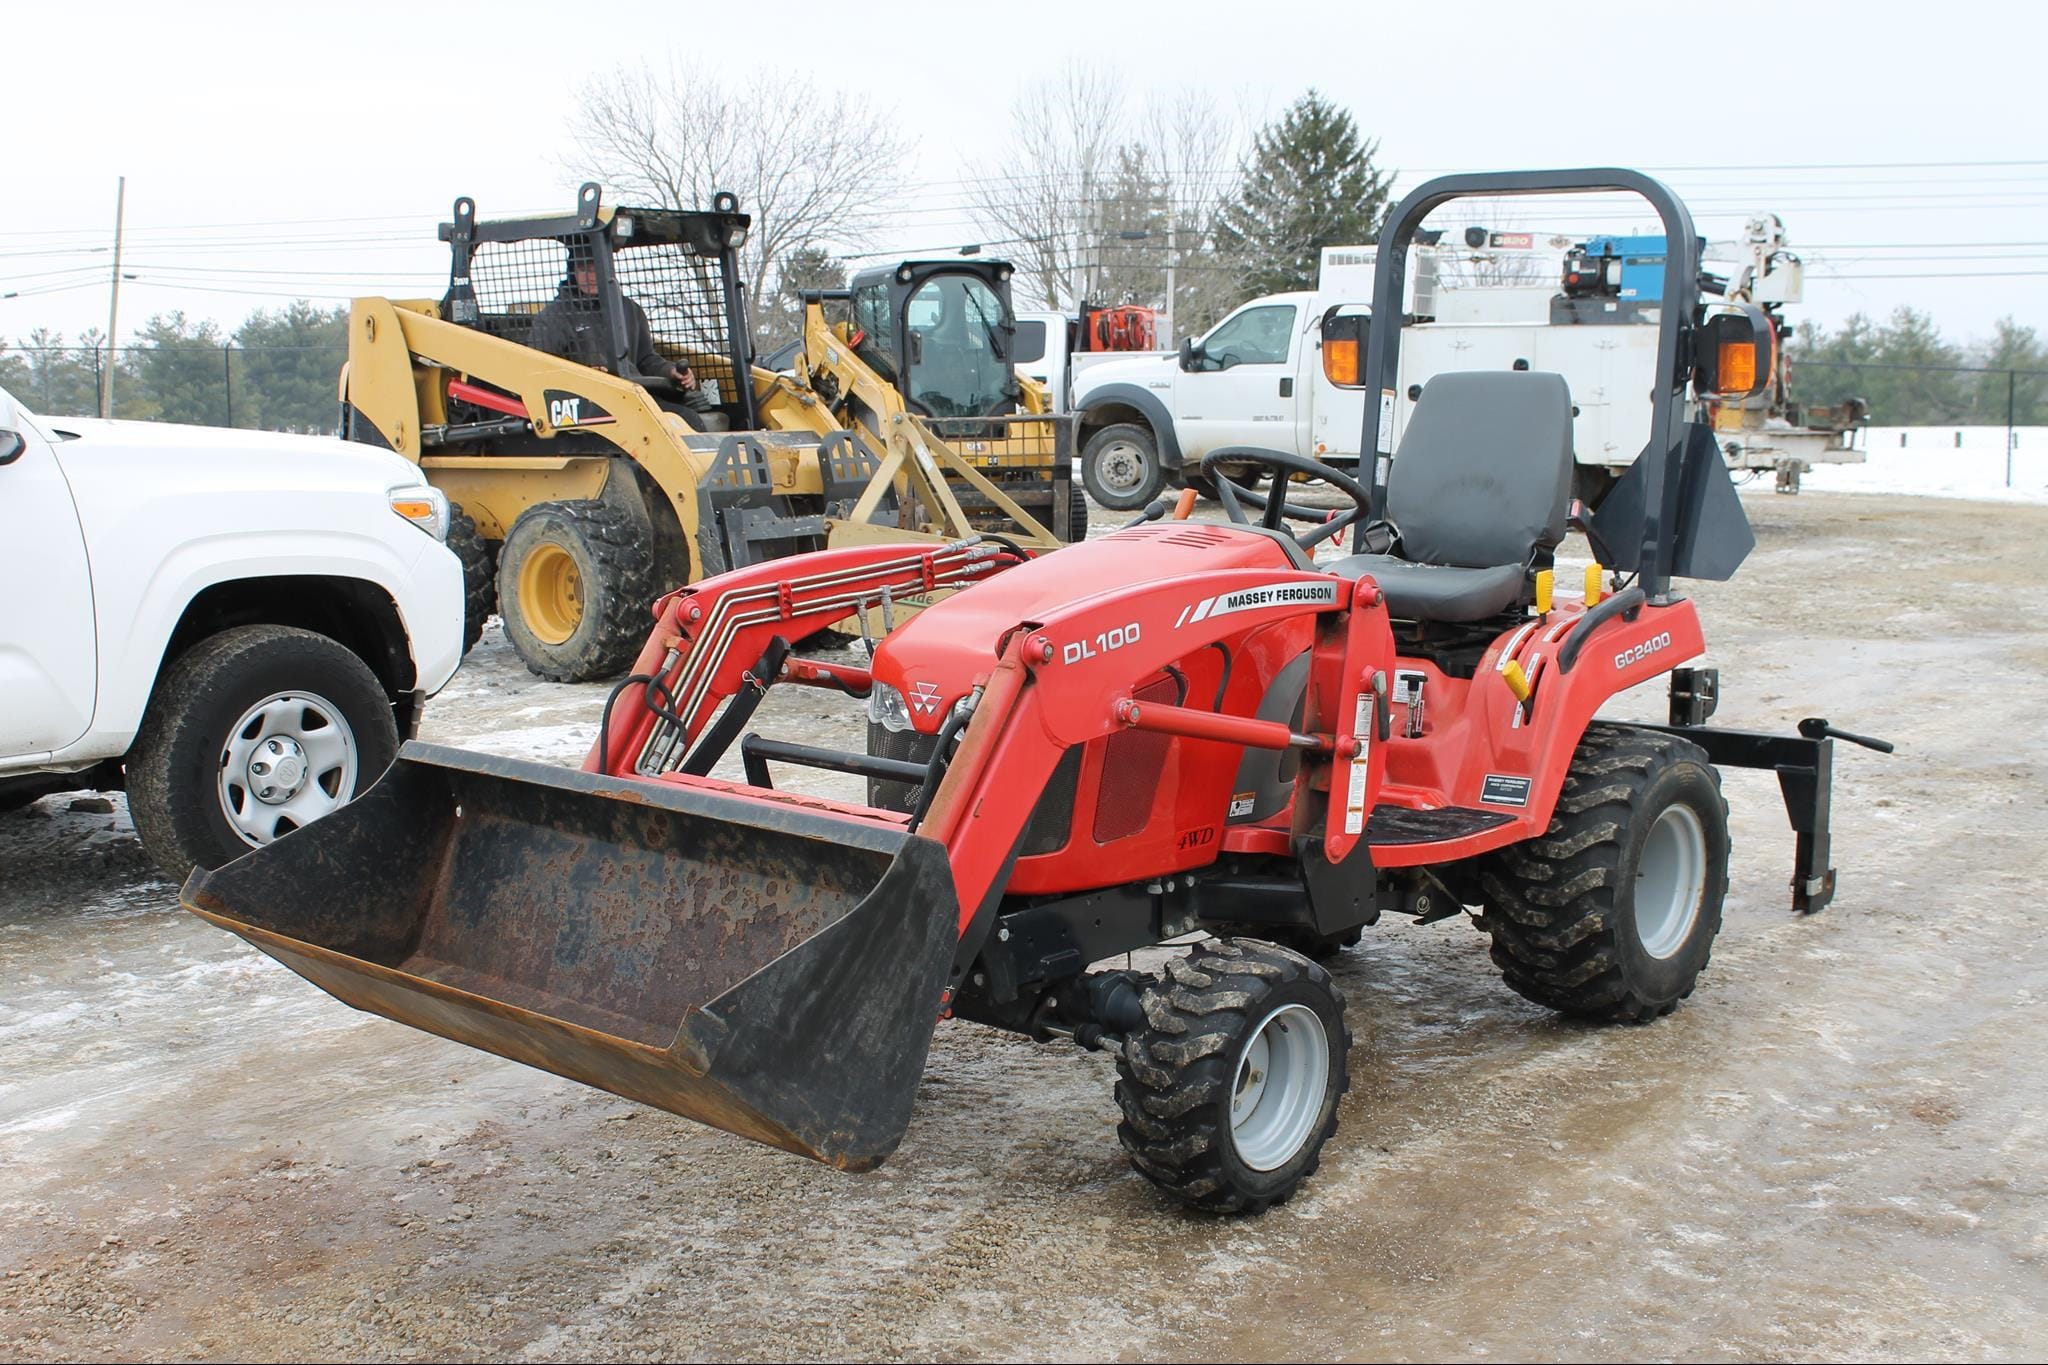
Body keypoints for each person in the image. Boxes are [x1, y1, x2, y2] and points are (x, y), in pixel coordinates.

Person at [529, 242, 728, 431]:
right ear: (573, 272)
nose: (591, 276)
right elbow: (541, 371)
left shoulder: (628, 310)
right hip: (589, 407)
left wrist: (670, 371)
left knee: (685, 418)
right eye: (583, 270)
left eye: (596, 268)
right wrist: (585, 375)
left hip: (634, 397)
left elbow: (645, 359)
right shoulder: (553, 318)